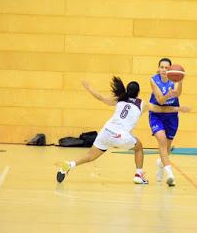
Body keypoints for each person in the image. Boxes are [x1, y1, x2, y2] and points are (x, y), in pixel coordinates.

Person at [55, 76, 189, 184]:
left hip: (106, 131)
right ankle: (138, 175)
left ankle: (69, 165)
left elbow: (101, 98)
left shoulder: (120, 99)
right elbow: (161, 109)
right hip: (120, 135)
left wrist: (89, 87)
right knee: (139, 146)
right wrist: (179, 109)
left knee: (90, 156)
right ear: (138, 92)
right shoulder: (142, 103)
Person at [149, 58, 184, 187]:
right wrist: (169, 95)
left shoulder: (174, 80)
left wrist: (180, 82)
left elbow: (178, 93)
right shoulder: (154, 80)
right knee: (162, 142)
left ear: (170, 69)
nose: (164, 70)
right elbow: (161, 100)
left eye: (166, 68)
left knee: (166, 148)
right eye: (161, 67)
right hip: (157, 115)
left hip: (171, 116)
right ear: (158, 68)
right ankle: (170, 175)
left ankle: (160, 164)